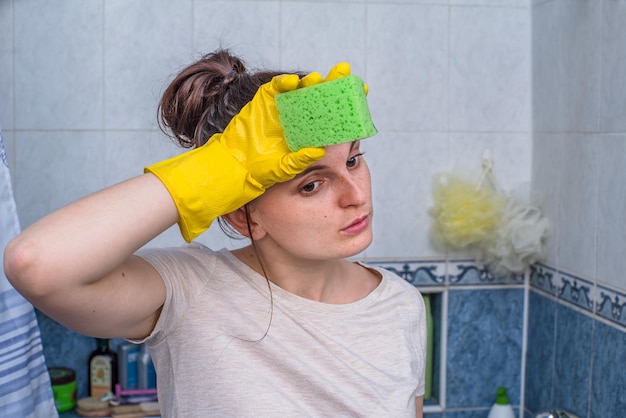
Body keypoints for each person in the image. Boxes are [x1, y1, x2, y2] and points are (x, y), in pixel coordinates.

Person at [4, 49, 427, 417]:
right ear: (246, 218)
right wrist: (222, 166)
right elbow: (36, 264)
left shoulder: (402, 305)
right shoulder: (190, 291)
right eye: (311, 184)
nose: (356, 196)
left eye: (353, 161)